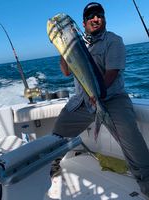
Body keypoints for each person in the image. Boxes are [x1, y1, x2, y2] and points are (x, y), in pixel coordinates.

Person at [52, 2, 149, 198]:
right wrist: (63, 48)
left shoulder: (114, 41)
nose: (95, 19)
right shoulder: (75, 43)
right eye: (91, 16)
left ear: (104, 19)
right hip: (82, 101)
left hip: (112, 98)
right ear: (84, 22)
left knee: (130, 136)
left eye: (99, 15)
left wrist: (96, 96)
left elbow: (111, 74)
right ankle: (51, 165)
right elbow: (65, 71)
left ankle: (146, 181)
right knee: (57, 134)